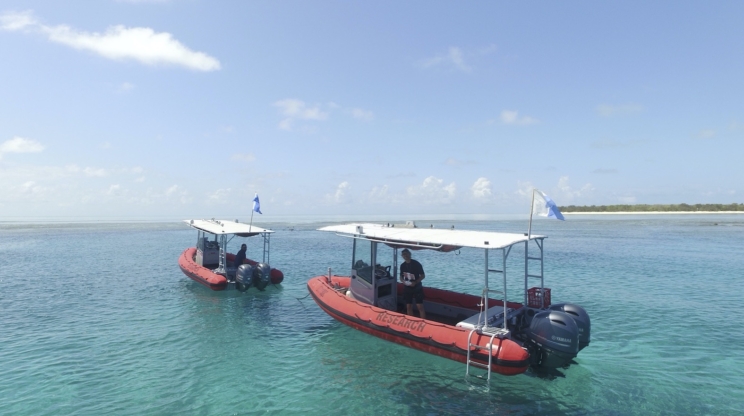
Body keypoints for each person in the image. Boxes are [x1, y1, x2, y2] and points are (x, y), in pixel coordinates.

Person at [399, 248, 426, 319]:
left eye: (406, 254)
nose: (405, 256)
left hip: (417, 287)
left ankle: (423, 321)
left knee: (420, 306)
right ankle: (410, 321)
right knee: (408, 306)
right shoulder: (402, 265)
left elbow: (423, 275)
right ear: (402, 256)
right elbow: (401, 276)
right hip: (407, 287)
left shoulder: (416, 264)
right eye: (403, 255)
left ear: (410, 254)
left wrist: (416, 282)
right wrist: (403, 281)